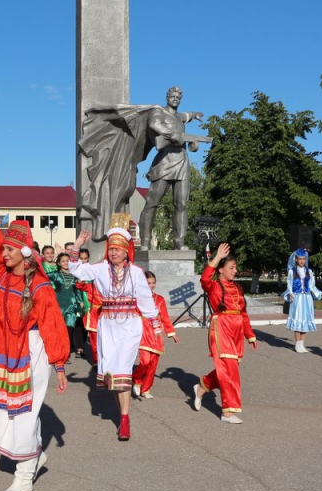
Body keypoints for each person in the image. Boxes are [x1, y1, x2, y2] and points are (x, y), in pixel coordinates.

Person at [0, 175, 69, 491]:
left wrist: (59, 365)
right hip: (3, 355)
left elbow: (53, 326)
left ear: (25, 253)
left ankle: (25, 474)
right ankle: (34, 455)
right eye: (4, 248)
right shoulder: (0, 275)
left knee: (25, 415)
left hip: (31, 353)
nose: (3, 253)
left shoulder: (40, 288)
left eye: (10, 249)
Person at [68, 214, 161, 441]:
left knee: (124, 370)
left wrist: (156, 326)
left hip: (130, 325)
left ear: (125, 250)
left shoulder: (137, 273)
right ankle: (122, 412)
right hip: (108, 326)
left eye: (118, 249)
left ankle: (125, 420)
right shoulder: (99, 269)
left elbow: (146, 299)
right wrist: (78, 243)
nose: (113, 253)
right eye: (111, 249)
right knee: (114, 376)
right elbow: (75, 269)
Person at [192, 244, 258, 424]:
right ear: (220, 269)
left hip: (236, 331)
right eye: (231, 268)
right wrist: (216, 257)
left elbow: (243, 313)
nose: (235, 271)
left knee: (228, 368)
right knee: (230, 369)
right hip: (221, 328)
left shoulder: (237, 288)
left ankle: (202, 385)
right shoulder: (214, 286)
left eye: (235, 267)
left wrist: (249, 335)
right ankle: (228, 411)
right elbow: (204, 279)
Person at [139, 86, 205, 250]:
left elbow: (185, 116)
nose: (175, 99)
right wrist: (171, 135)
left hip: (182, 161)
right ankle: (145, 242)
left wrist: (194, 115)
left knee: (181, 204)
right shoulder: (158, 112)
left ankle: (179, 242)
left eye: (178, 97)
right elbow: (154, 124)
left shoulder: (180, 117)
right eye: (172, 96)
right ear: (167, 97)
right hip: (164, 161)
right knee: (152, 202)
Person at [132, 271, 178, 399]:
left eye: (153, 283)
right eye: (148, 283)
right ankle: (136, 379)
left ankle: (146, 389)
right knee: (145, 361)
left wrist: (171, 333)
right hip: (143, 331)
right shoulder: (137, 298)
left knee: (153, 364)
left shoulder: (160, 299)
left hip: (156, 334)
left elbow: (165, 317)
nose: (151, 285)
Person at [282, 248, 322, 353]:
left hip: (307, 299)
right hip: (297, 298)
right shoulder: (291, 271)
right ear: (296, 259)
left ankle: (302, 344)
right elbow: (289, 284)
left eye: (304, 259)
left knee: (305, 322)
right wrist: (289, 293)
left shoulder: (309, 271)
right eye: (300, 259)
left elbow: (312, 286)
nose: (302, 261)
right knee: (297, 321)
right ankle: (297, 344)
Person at [47, 252, 84, 362]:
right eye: (63, 261)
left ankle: (65, 354)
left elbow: (77, 290)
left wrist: (80, 301)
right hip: (58, 306)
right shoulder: (55, 274)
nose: (65, 263)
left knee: (68, 331)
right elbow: (42, 276)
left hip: (71, 306)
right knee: (58, 331)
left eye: (67, 261)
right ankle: (58, 353)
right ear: (58, 263)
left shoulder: (75, 276)